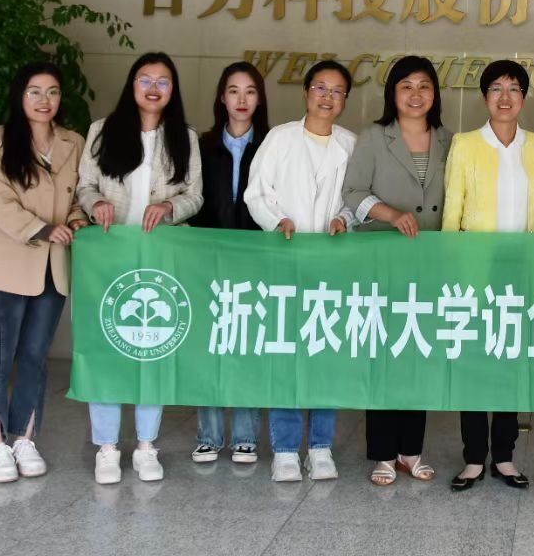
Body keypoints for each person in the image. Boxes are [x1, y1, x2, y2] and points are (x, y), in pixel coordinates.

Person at [76, 51, 203, 485]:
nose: (153, 88)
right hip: (108, 257)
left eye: (163, 81)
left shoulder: (184, 137)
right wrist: (94, 202)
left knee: (154, 349)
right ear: (132, 85)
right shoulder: (102, 130)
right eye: (145, 79)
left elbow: (195, 195)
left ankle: (147, 446)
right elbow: (84, 185)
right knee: (106, 350)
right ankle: (107, 447)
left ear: (173, 90)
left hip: (159, 259)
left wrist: (169, 207)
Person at [0, 61, 89, 483]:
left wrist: (77, 219)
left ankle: (24, 437)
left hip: (52, 266)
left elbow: (74, 198)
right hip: (8, 260)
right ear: (20, 96)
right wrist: (41, 228)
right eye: (35, 91)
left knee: (36, 357)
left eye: (52, 91)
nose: (44, 100)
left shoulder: (73, 142)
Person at [245, 59, 358, 483]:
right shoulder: (280, 138)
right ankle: (286, 449)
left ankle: (321, 446)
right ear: (306, 92)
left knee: (326, 354)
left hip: (331, 267)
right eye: (320, 88)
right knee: (286, 355)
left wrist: (345, 219)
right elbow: (256, 193)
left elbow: (357, 197)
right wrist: (277, 221)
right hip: (284, 262)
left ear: (345, 99)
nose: (328, 97)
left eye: (337, 91)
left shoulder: (350, 144)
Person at [442, 58, 534, 492]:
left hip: (521, 272)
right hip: (475, 271)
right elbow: (452, 209)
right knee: (473, 363)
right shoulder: (466, 144)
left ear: (523, 97)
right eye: (496, 89)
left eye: (513, 89)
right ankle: (473, 457)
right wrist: (450, 269)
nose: (505, 98)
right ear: (484, 96)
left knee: (511, 364)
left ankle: (504, 456)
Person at [343, 54, 450, 485]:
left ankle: (411, 450)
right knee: (384, 355)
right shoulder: (374, 137)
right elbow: (353, 192)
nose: (415, 94)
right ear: (393, 93)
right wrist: (390, 214)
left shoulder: (448, 139)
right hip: (383, 260)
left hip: (429, 263)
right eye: (406, 85)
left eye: (424, 85)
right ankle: (383, 453)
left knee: (417, 352)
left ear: (434, 94)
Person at [189, 61, 270, 467]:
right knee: (210, 347)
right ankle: (208, 436)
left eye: (250, 91)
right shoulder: (201, 145)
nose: (242, 99)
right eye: (234, 91)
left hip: (256, 262)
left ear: (260, 99)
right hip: (209, 260)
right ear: (222, 97)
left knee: (248, 347)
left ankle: (244, 436)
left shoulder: (271, 145)